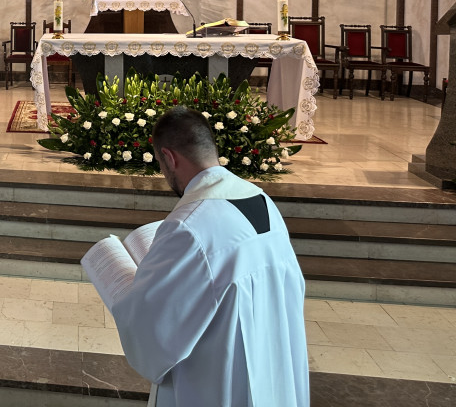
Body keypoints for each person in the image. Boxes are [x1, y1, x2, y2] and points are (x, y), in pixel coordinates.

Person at [106, 107, 308, 406]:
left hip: (219, 378)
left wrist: (125, 293)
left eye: (162, 165)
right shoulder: (260, 198)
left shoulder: (188, 224)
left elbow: (153, 325)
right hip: (272, 362)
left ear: (170, 157)